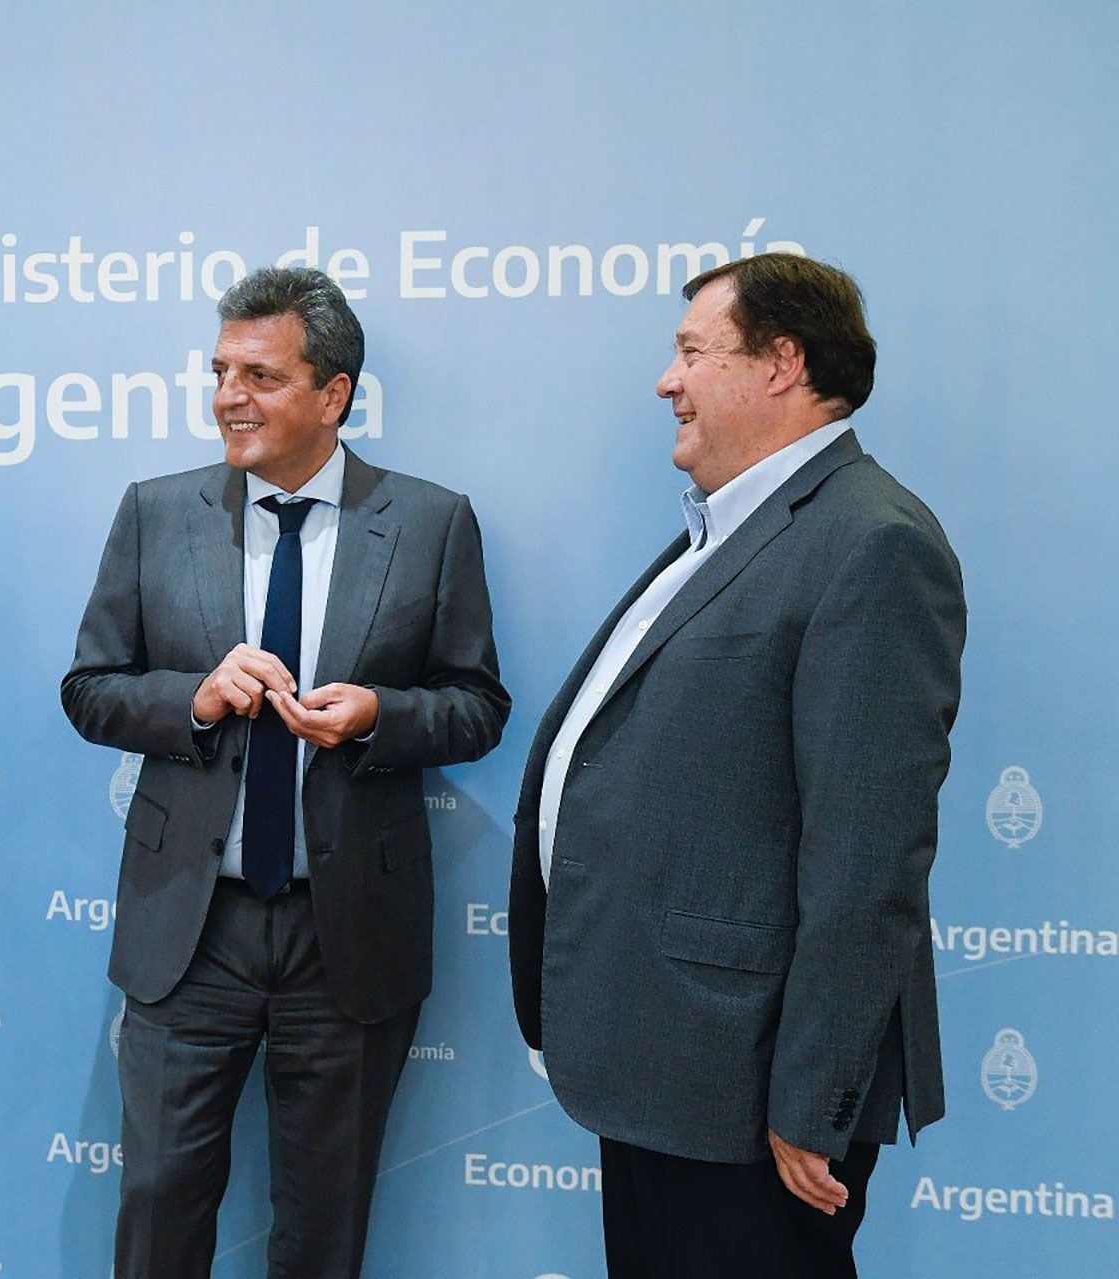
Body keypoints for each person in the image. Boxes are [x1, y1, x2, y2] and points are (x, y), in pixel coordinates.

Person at [508, 253, 965, 1278]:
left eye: (691, 351)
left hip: (748, 1094)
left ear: (782, 363)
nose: (665, 381)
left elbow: (869, 858)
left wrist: (814, 1100)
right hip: (662, 1063)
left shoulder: (872, 542)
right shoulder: (729, 529)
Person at [63, 266, 510, 1278]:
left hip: (345, 934)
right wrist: (196, 697)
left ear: (333, 393)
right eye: (220, 371)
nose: (230, 396)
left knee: (323, 1226)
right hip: (191, 930)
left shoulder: (432, 522)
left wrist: (378, 715)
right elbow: (90, 689)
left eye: (260, 376)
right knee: (158, 1207)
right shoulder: (156, 511)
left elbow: (477, 704)